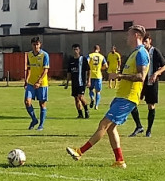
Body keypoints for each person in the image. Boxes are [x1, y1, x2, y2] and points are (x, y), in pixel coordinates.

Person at [67, 25, 149, 168]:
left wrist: (119, 75)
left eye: (129, 35)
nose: (126, 37)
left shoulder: (142, 53)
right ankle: (119, 161)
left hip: (128, 97)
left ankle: (80, 152)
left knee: (103, 124)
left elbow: (141, 76)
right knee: (111, 128)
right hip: (122, 96)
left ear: (136, 35)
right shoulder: (134, 53)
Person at [129, 35, 165, 137]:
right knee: (132, 103)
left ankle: (149, 130)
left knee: (151, 105)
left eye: (146, 41)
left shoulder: (155, 51)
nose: (144, 44)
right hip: (140, 82)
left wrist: (156, 73)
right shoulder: (140, 52)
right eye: (143, 42)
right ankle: (139, 126)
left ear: (150, 41)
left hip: (152, 82)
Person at [24, 36, 49, 130]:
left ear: (40, 44)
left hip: (42, 84)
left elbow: (45, 70)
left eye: (37, 44)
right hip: (31, 83)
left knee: (42, 104)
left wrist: (39, 81)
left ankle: (41, 125)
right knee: (27, 101)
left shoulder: (44, 55)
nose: (35, 46)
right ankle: (34, 119)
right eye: (34, 45)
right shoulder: (29, 54)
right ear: (31, 45)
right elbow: (29, 68)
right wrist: (26, 80)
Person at [64, 44, 90, 119]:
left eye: (77, 49)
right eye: (74, 49)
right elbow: (69, 72)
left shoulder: (83, 59)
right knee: (76, 98)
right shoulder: (71, 60)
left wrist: (88, 80)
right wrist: (67, 82)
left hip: (81, 82)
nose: (75, 51)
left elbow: (88, 70)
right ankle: (80, 114)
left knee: (80, 96)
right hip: (74, 82)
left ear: (79, 50)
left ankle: (86, 110)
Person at [87, 45, 108, 110]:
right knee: (98, 91)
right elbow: (106, 66)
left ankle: (92, 98)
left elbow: (86, 62)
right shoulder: (102, 57)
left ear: (93, 49)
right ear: (99, 50)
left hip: (91, 75)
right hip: (98, 75)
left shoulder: (90, 55)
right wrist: (100, 68)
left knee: (91, 89)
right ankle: (96, 105)